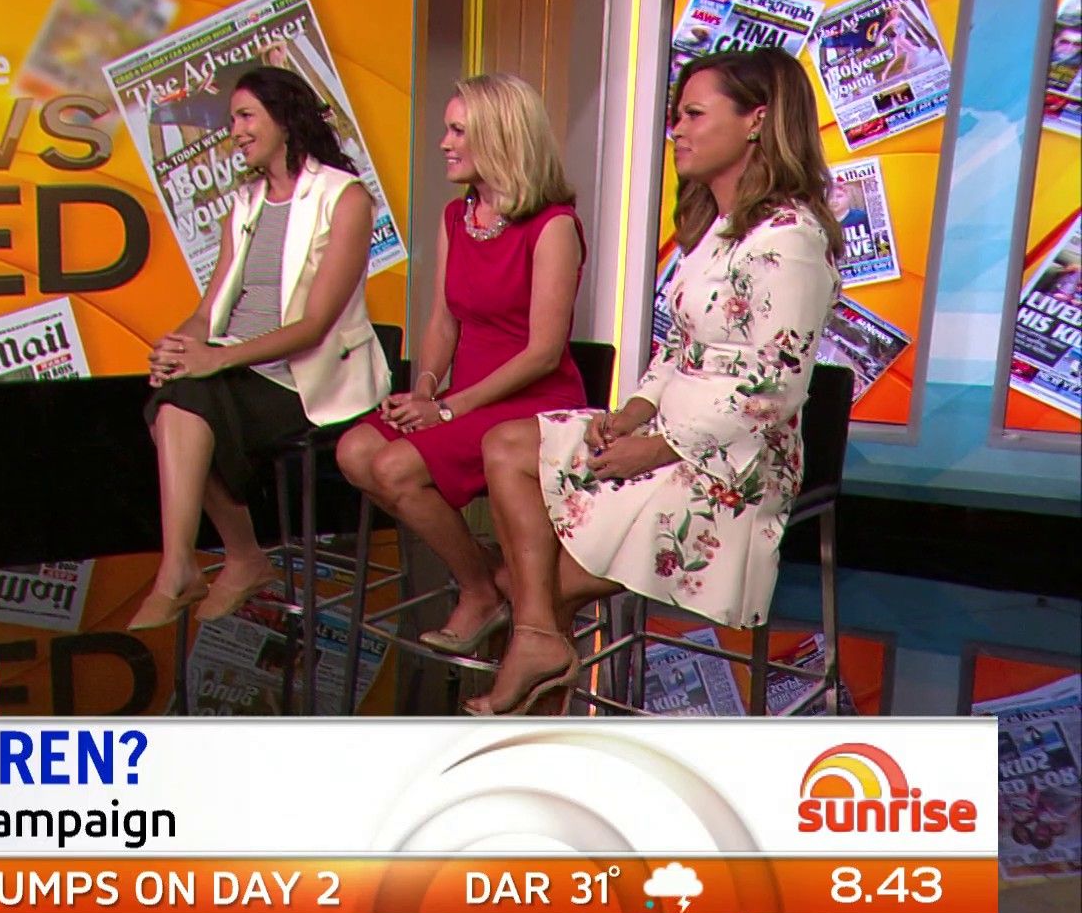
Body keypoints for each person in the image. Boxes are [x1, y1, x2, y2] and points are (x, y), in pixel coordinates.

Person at [475, 47, 842, 715]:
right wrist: (634, 411)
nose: (677, 130)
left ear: (757, 120)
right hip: (668, 433)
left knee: (532, 582)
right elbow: (680, 343)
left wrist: (658, 447)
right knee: (504, 446)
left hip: (733, 463)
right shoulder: (719, 228)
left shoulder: (792, 238)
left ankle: (535, 664)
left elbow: (774, 387)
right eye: (678, 116)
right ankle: (537, 642)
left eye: (694, 115)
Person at [129, 65, 388, 629]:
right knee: (174, 398)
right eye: (232, 121)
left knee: (183, 402)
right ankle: (208, 563)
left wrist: (214, 358)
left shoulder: (344, 198)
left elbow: (315, 325)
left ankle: (210, 564)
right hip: (239, 366)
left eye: (246, 117)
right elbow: (208, 312)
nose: (236, 132)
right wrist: (179, 345)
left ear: (285, 120)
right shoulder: (245, 204)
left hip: (308, 376)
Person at [334, 73, 586, 654]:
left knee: (396, 468)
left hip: (530, 403)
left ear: (499, 137)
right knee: (355, 451)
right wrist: (425, 388)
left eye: (457, 131)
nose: (443, 143)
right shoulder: (457, 216)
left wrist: (448, 409)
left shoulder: (553, 226)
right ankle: (490, 575)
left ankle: (477, 590)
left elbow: (543, 352)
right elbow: (444, 320)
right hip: (462, 398)